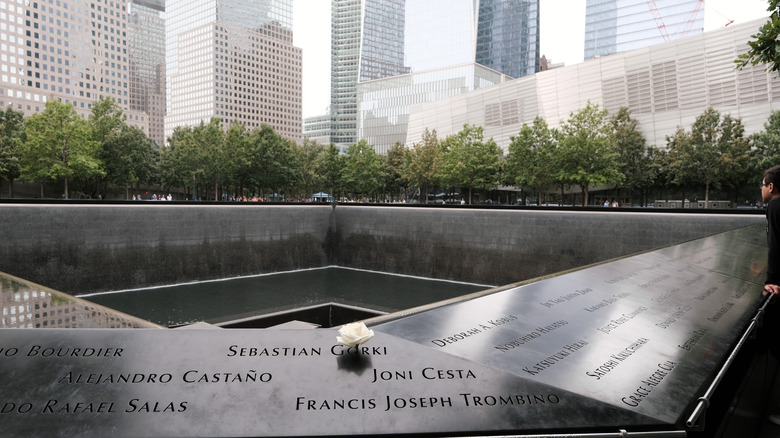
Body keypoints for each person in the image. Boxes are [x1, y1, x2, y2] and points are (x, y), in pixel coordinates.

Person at [761, 165, 780, 426]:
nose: (761, 189)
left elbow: (777, 245)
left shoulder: (775, 207)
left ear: (771, 186)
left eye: (762, 185)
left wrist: (772, 280)